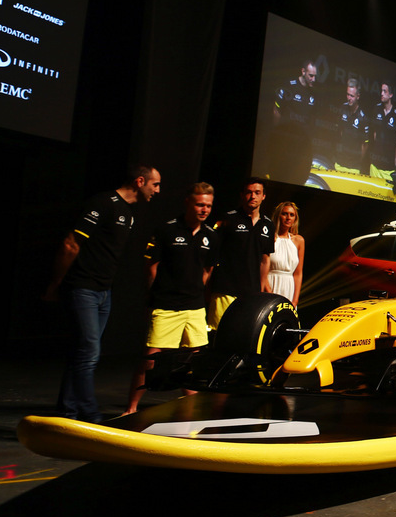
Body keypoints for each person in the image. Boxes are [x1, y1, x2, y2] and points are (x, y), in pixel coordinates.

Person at [46, 165, 161, 422]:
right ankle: (89, 413)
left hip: (103, 292)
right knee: (89, 352)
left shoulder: (130, 214)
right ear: (140, 181)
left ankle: (67, 410)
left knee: (81, 353)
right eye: (155, 184)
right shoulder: (103, 203)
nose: (157, 190)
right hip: (83, 288)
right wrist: (57, 283)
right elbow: (71, 243)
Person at [125, 183, 216, 415]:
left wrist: (196, 292)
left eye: (208, 205)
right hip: (166, 306)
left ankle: (193, 408)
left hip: (195, 308)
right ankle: (131, 408)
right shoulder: (167, 230)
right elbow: (151, 267)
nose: (204, 209)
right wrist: (154, 297)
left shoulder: (211, 236)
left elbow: (207, 271)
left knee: (193, 363)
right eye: (199, 204)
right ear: (188, 202)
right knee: (151, 360)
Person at [206, 178, 275, 331]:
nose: (253, 196)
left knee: (242, 335)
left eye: (257, 193)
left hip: (251, 293)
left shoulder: (268, 225)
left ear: (263, 196)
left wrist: (262, 287)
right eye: (249, 192)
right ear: (242, 195)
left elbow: (265, 259)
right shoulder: (229, 218)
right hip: (225, 289)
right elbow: (213, 253)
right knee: (218, 334)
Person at [270, 59, 318, 182]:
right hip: (285, 141)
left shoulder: (313, 93)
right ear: (303, 71)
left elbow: (311, 119)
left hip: (300, 145)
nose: (313, 79)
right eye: (311, 76)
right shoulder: (289, 86)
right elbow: (276, 110)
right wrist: (278, 133)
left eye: (315, 76)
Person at [269, 201, 306, 305]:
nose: (288, 217)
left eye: (292, 215)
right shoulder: (269, 238)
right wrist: (268, 292)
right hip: (270, 285)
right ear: (278, 215)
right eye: (284, 214)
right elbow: (262, 268)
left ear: (295, 218)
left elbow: (298, 273)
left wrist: (295, 300)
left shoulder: (299, 241)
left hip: (289, 288)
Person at [369, 82, 396, 183]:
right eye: (381, 91)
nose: (382, 94)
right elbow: (374, 132)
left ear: (391, 95)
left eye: (385, 91)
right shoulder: (376, 109)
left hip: (388, 168)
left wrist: (395, 163)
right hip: (374, 165)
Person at [336, 77, 369, 172]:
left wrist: (358, 160)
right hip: (339, 161)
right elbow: (340, 132)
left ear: (358, 96)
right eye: (347, 95)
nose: (349, 98)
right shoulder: (342, 108)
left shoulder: (363, 118)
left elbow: (365, 144)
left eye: (352, 96)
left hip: (354, 166)